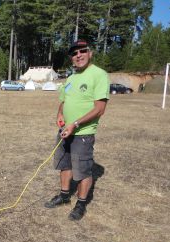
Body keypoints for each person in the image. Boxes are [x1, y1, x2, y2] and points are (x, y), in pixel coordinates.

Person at [44, 39, 109, 221]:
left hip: (82, 133)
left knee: (82, 171)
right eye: (74, 53)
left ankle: (80, 204)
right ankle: (64, 196)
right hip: (66, 130)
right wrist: (60, 115)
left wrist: (75, 124)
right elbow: (63, 101)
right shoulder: (71, 77)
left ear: (90, 53)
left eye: (82, 51)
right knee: (64, 165)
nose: (78, 55)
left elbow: (99, 109)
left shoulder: (99, 75)